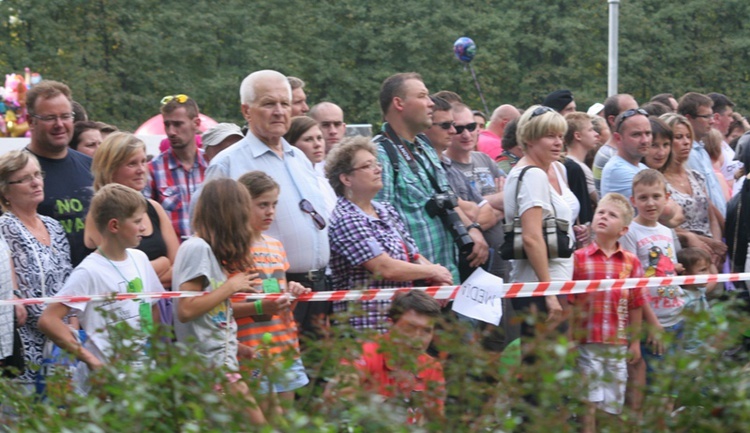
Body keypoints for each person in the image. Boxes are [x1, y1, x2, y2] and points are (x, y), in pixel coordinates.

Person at [205, 70, 331, 341]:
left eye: (284, 104)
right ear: (246, 110)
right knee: (272, 372)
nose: (278, 111)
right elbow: (208, 231)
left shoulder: (300, 157)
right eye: (268, 103)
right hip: (264, 290)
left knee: (316, 371)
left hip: (316, 286)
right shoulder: (227, 163)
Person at [38, 184, 163, 394]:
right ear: (114, 225)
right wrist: (92, 361)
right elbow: (48, 320)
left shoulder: (140, 259)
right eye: (137, 221)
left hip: (144, 375)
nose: (143, 228)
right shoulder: (88, 271)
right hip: (108, 384)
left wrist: (158, 353)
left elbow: (152, 308)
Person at [326, 137, 453, 333]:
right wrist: (434, 272)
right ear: (346, 179)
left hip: (399, 322)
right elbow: (384, 268)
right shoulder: (346, 219)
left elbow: (413, 255)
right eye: (368, 166)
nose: (378, 169)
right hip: (366, 326)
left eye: (377, 163)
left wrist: (440, 279)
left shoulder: (385, 209)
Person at [374, 73, 487, 283]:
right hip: (416, 284)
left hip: (446, 273)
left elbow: (446, 200)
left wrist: (472, 229)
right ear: (398, 103)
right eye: (423, 96)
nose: (430, 103)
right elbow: (381, 229)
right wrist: (425, 269)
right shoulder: (379, 154)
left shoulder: (424, 147)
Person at [171, 178, 266, 425]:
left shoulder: (205, 249)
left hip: (219, 363)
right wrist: (231, 286)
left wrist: (237, 347)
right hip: (210, 368)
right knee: (259, 427)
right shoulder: (197, 248)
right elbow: (186, 309)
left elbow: (209, 312)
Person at [235, 171, 311, 415]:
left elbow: (283, 309)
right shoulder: (230, 249)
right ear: (242, 204)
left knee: (285, 420)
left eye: (274, 204)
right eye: (262, 205)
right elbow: (219, 307)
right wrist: (259, 307)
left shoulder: (276, 246)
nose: (270, 212)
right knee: (265, 421)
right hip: (252, 348)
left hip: (284, 345)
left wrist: (293, 295)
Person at [569, 193, 644, 431]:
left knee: (612, 403)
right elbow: (571, 302)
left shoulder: (631, 262)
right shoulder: (578, 259)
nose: (603, 216)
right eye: (600, 212)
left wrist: (635, 343)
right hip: (586, 340)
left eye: (612, 215)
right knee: (588, 401)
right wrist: (570, 338)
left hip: (617, 342)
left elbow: (636, 303)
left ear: (623, 230)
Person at [0, 150, 73, 388]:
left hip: (63, 342)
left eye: (37, 175)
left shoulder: (54, 226)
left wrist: (70, 330)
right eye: (24, 179)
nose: (35, 182)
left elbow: (70, 283)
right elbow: (24, 295)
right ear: (5, 191)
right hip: (26, 348)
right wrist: (57, 325)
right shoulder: (5, 227)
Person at [504, 105, 575, 345]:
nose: (558, 143)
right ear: (529, 139)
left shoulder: (531, 171)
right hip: (540, 287)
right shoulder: (533, 175)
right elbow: (531, 237)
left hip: (543, 283)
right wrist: (550, 293)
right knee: (544, 370)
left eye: (560, 136)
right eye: (550, 136)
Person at [324, 290, 446, 425]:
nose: (418, 338)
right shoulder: (363, 352)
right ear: (390, 324)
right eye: (410, 327)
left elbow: (436, 423)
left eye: (426, 331)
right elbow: (334, 396)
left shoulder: (432, 367)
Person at [619, 169, 685, 416]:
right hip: (651, 320)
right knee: (653, 385)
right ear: (633, 200)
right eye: (643, 197)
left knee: (670, 386)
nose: (650, 203)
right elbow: (632, 284)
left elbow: (668, 270)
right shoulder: (631, 232)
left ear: (667, 197)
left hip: (675, 315)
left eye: (656, 196)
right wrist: (652, 322)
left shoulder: (667, 232)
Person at [86, 132, 180, 294]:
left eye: (143, 161)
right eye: (132, 164)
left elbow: (179, 270)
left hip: (159, 308)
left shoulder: (154, 208)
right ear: (110, 169)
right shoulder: (98, 214)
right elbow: (118, 277)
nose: (141, 170)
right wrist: (163, 263)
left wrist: (146, 276)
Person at [24, 80, 94, 267]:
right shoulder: (16, 173)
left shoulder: (92, 166)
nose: (59, 124)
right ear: (31, 121)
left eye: (65, 116)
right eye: (50, 118)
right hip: (43, 290)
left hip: (93, 287)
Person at [660, 113, 726, 271]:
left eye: (688, 136)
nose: (686, 142)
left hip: (710, 254)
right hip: (682, 254)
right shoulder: (658, 180)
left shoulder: (695, 176)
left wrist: (715, 244)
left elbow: (711, 215)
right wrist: (706, 242)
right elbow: (661, 222)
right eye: (679, 137)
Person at [144, 94, 207, 240]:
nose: (171, 131)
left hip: (213, 253)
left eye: (178, 124)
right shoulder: (153, 170)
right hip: (174, 258)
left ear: (196, 123)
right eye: (167, 124)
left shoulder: (212, 165)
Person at [677, 92, 727, 216]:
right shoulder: (687, 154)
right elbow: (704, 200)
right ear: (688, 118)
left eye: (712, 116)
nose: (712, 121)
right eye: (706, 117)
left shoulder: (702, 151)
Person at [593, 94, 639, 196]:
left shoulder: (628, 152)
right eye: (631, 113)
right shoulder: (608, 156)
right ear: (612, 120)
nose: (638, 117)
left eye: (638, 112)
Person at [600, 108, 651, 199]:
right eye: (636, 134)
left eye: (648, 133)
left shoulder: (642, 167)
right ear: (618, 138)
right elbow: (663, 208)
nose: (645, 140)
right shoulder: (617, 170)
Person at [564, 112, 600, 223]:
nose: (596, 134)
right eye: (590, 130)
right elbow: (599, 199)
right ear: (578, 136)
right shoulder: (580, 168)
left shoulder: (568, 163)